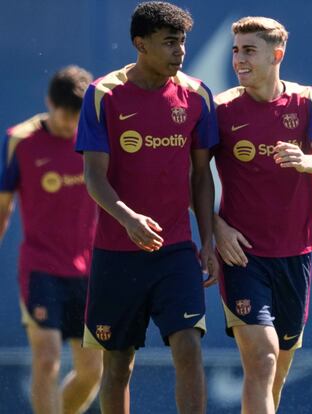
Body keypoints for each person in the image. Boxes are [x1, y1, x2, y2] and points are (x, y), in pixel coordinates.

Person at [75, 2, 219, 413]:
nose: (180, 51)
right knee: (118, 363)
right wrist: (128, 218)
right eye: (169, 43)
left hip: (175, 250)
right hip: (117, 253)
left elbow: (201, 176)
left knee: (189, 345)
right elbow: (94, 176)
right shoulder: (104, 94)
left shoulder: (196, 95)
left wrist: (206, 240)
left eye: (183, 42)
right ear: (140, 44)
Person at [213, 16, 312, 413]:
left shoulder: (307, 100)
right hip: (242, 254)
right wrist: (217, 229)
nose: (239, 59)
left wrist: (305, 160)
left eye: (249, 50)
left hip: (295, 251)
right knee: (263, 357)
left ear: (277, 54)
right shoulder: (218, 109)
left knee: (278, 368)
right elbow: (189, 177)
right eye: (235, 50)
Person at [0, 66, 102, 414]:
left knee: (91, 372)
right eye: (65, 115)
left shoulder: (95, 137)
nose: (70, 124)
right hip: (41, 267)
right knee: (47, 360)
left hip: (89, 270)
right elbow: (3, 206)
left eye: (77, 116)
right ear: (49, 102)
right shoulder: (20, 140)